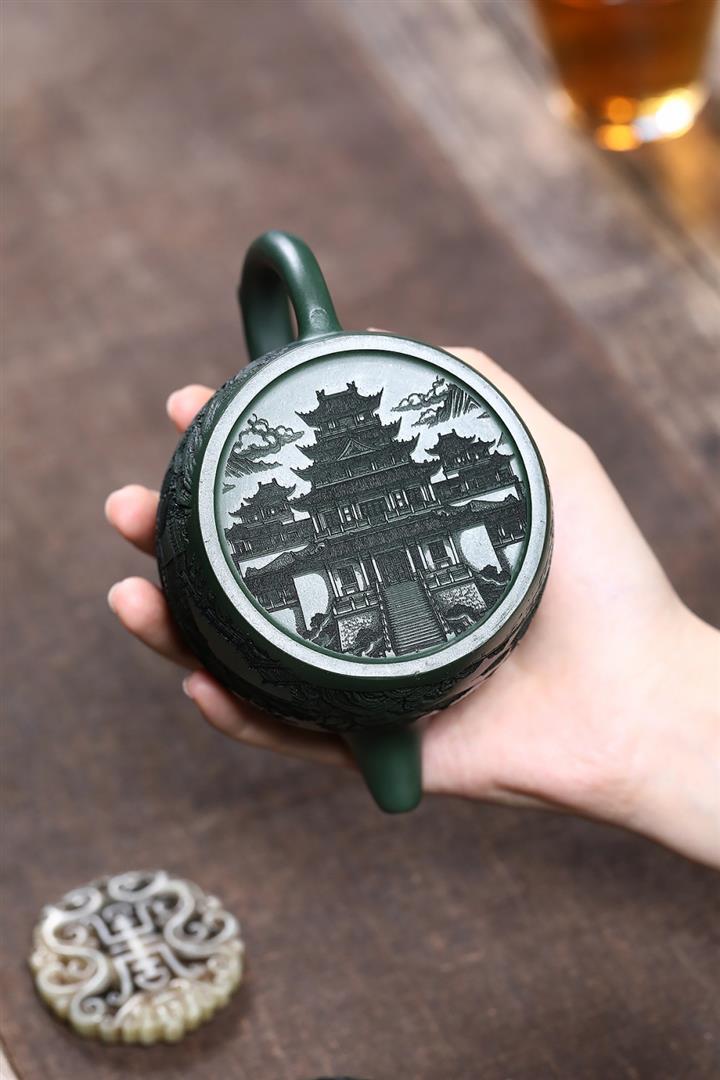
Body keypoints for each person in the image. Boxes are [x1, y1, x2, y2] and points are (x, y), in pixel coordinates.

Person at [105, 347, 720, 868]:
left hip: (405, 558)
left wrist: (644, 719)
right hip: (366, 563)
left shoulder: (406, 470)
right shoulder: (326, 500)